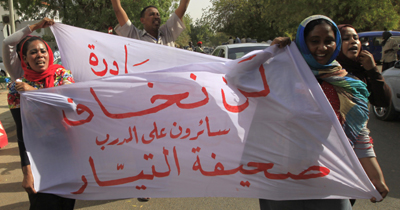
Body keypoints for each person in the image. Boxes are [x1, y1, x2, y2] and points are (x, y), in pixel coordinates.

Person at [261, 15, 389, 210]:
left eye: (328, 41)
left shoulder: (349, 85)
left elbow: (358, 136)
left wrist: (376, 177)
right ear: (302, 43)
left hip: (331, 181)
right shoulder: (280, 76)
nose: (322, 47)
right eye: (314, 41)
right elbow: (238, 82)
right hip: (282, 182)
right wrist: (268, 55)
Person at [2, 17, 76, 209]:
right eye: (33, 52)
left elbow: (70, 105)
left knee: (66, 205)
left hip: (68, 154)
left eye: (43, 51)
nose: (39, 55)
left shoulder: (62, 75)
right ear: (24, 59)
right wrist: (27, 171)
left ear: (49, 54)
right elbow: (22, 133)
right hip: (38, 160)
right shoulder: (17, 88)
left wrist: (34, 93)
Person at [336, 24, 391, 107]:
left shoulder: (361, 71)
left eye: (356, 38)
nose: (353, 41)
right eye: (346, 39)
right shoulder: (328, 72)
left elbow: (383, 102)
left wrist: (373, 70)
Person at [111, 0, 190, 47]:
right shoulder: (134, 36)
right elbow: (118, 10)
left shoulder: (168, 32)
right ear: (142, 20)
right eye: (152, 14)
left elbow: (182, 8)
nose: (156, 17)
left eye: (158, 14)